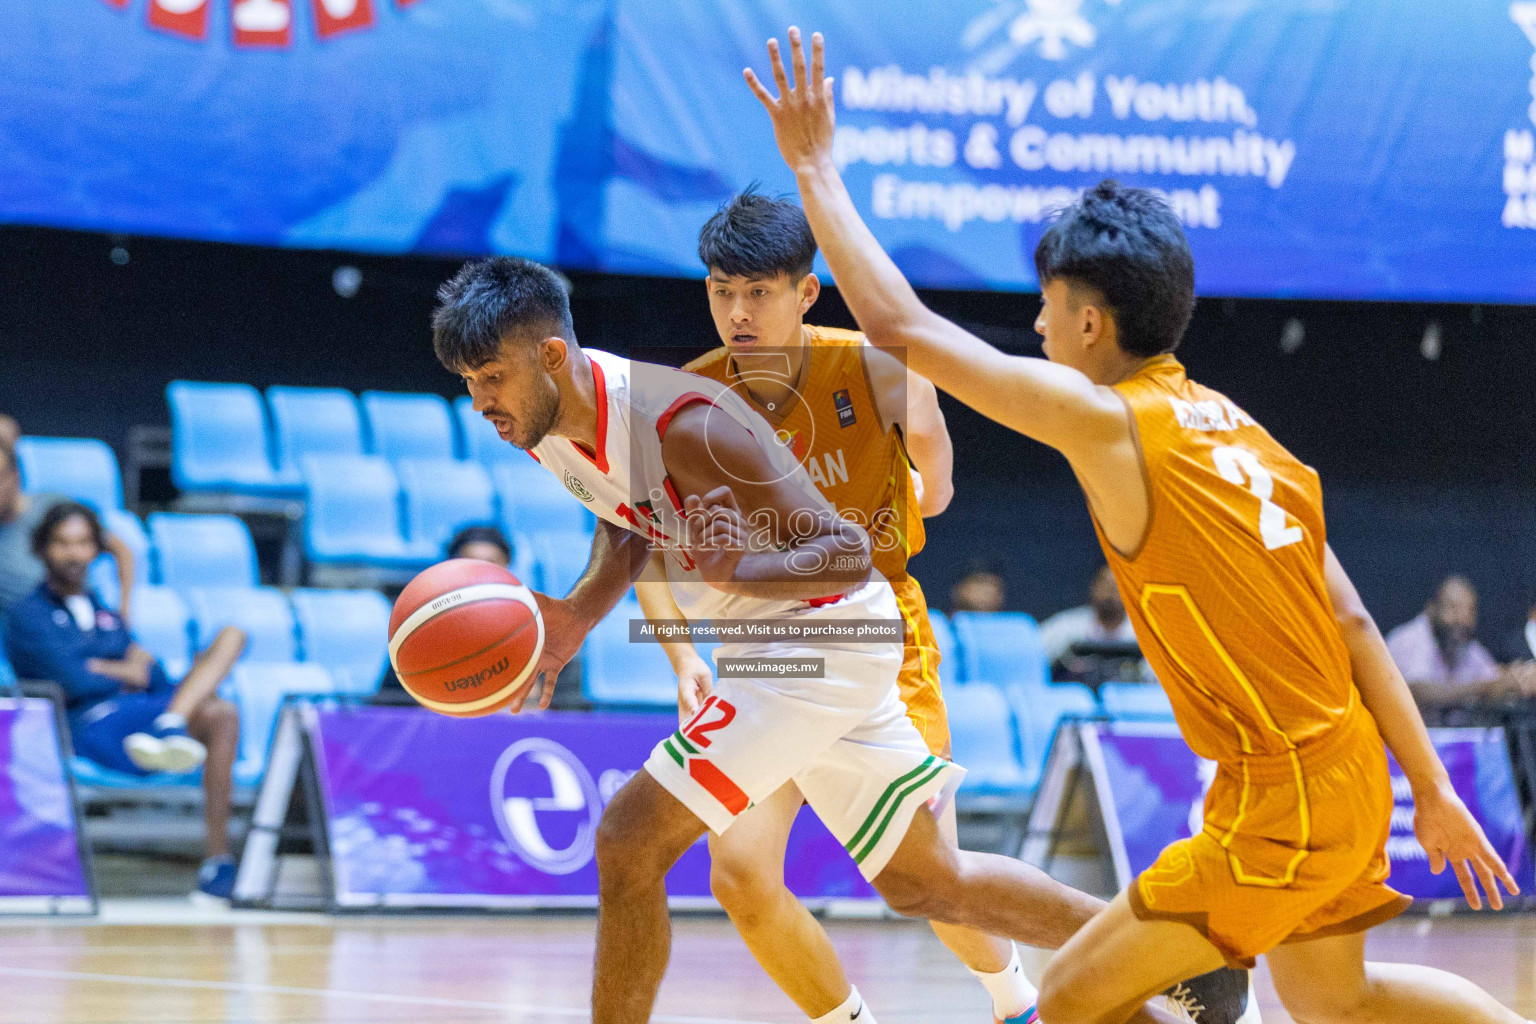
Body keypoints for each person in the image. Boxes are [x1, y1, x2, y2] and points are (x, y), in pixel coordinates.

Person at [745, 27, 1526, 1024]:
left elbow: (902, 332)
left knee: (1069, 1000)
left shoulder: (1118, 424)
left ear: (1088, 324)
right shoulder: (1251, 436)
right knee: (1342, 1000)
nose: (1033, 326)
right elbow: (1358, 624)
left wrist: (815, 167)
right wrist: (1432, 788)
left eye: (1045, 307)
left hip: (1277, 796)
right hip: (1349, 774)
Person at [433, 256, 1247, 1024]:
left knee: (627, 838)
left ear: (550, 354)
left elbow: (845, 551)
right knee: (928, 880)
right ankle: (1170, 959)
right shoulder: (547, 428)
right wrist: (578, 613)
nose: (482, 401)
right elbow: (625, 524)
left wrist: (737, 564)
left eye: (492, 378)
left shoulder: (682, 421)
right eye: (470, 384)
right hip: (777, 648)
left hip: (820, 637)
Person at [630, 188, 1072, 1024]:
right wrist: (685, 659)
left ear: (805, 293)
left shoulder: (875, 369)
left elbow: (935, 496)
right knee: (740, 876)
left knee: (928, 879)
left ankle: (1017, 1003)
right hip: (763, 654)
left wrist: (887, 494)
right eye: (721, 290)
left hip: (873, 635)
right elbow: (647, 544)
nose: (737, 310)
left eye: (758, 291)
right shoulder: (688, 397)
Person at [3, 502, 245, 901]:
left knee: (224, 694)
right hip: (92, 725)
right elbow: (74, 682)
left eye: (82, 543)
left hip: (144, 716)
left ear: (96, 551)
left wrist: (107, 665)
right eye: (63, 543)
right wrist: (123, 669)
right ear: (42, 550)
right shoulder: (28, 614)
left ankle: (217, 862)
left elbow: (154, 675)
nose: (74, 554)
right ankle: (173, 725)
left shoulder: (104, 612)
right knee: (209, 704)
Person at [374, 524, 517, 704]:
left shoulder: (538, 630)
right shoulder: (421, 632)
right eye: (470, 565)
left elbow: (560, 704)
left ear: (507, 568)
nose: (481, 574)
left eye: (491, 565)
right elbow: (392, 705)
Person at [0, 439, 137, 620]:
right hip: (27, 634)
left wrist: (124, 610)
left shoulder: (52, 507)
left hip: (78, 618)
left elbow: (121, 550)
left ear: (15, 477)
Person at [1385, 577, 1509, 704]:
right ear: (1432, 609)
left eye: (1470, 611)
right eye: (1453, 608)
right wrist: (1480, 688)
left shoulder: (1464, 645)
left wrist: (1514, 680)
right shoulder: (1408, 639)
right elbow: (1416, 691)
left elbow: (1493, 681)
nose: (1462, 619)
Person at [1040, 565, 1145, 685]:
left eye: (1117, 586)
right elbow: (1031, 653)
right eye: (1105, 583)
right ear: (1093, 586)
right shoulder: (1068, 626)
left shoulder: (1143, 633)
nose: (1110, 592)